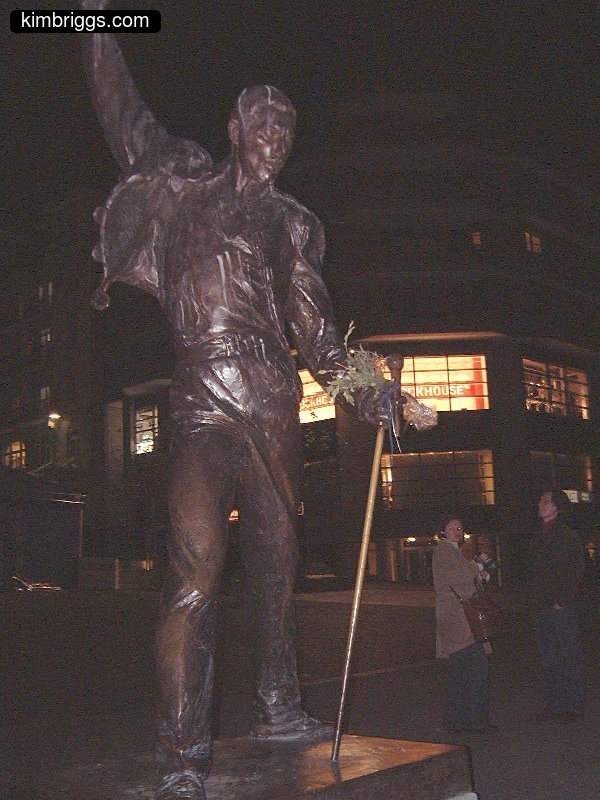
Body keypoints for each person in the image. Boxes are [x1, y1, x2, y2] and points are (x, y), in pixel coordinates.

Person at [77, 4, 409, 799]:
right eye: (264, 124)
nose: (275, 140)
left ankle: (279, 704)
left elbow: (321, 334)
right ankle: (182, 757)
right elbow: (121, 109)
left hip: (272, 402)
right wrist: (89, 27)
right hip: (199, 398)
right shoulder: (182, 183)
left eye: (287, 132)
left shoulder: (287, 225)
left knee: (276, 567)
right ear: (234, 127)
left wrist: (372, 392)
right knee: (194, 577)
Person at [528, 489, 586, 722]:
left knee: (569, 655)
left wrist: (563, 600)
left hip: (561, 606)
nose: (540, 504)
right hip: (542, 606)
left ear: (556, 507)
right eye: (540, 500)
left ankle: (574, 706)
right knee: (550, 657)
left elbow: (577, 569)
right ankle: (556, 705)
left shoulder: (567, 535)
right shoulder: (538, 535)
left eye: (545, 501)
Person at [432, 517, 492, 733]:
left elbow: (467, 581)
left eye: (460, 528)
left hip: (465, 620)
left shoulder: (457, 551)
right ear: (443, 532)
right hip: (459, 621)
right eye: (452, 528)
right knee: (470, 671)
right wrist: (477, 567)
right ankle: (470, 721)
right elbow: (456, 579)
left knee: (466, 672)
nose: (458, 531)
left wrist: (480, 574)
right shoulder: (444, 551)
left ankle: (464, 721)